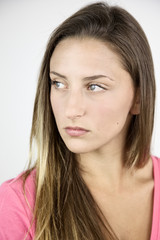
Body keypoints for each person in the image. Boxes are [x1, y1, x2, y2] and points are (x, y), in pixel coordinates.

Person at [0, 2, 159, 240]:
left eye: (95, 86)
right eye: (59, 83)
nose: (71, 109)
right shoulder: (17, 203)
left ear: (138, 98)